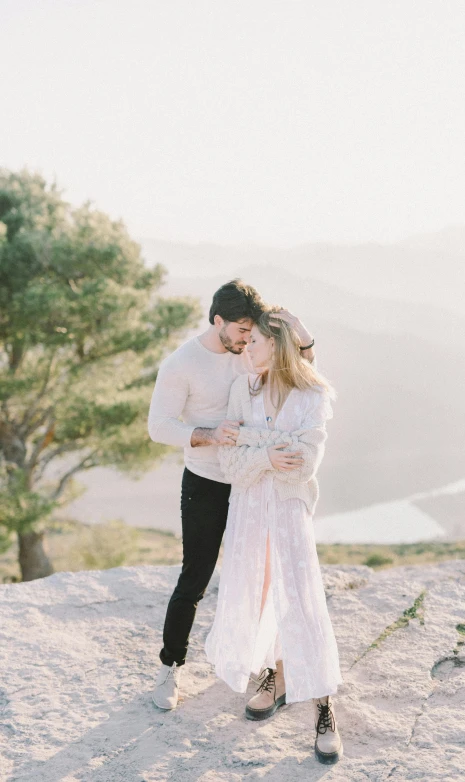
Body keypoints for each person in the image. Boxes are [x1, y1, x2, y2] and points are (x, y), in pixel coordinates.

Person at [147, 279, 316, 713]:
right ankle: (171, 667)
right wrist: (206, 434)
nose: (248, 339)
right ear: (217, 321)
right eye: (241, 330)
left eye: (252, 331)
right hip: (206, 482)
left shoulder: (252, 352)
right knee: (195, 576)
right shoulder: (182, 363)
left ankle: (269, 670)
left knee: (266, 577)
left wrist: (301, 332)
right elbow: (159, 426)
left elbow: (302, 370)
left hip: (256, 483)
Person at [204, 309, 343, 765]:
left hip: (287, 512)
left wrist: (254, 444)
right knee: (259, 594)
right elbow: (231, 465)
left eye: (255, 344)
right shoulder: (241, 391)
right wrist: (267, 451)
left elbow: (304, 462)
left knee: (300, 600)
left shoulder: (312, 394)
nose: (246, 350)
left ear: (276, 346)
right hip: (248, 513)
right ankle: (277, 677)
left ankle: (324, 706)